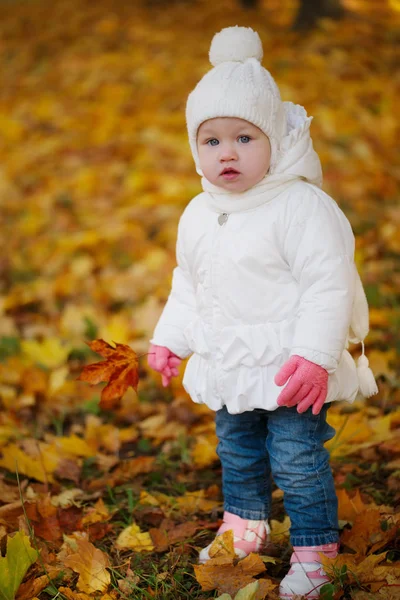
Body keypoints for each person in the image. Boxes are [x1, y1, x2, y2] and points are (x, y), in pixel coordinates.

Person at [147, 26, 378, 599]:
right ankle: (246, 526)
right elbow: (188, 282)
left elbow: (329, 284)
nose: (227, 153)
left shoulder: (300, 205)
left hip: (289, 366)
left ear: (274, 138)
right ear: (195, 147)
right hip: (231, 362)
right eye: (212, 140)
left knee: (297, 457)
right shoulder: (198, 212)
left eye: (245, 138)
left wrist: (315, 356)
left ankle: (317, 550)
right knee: (237, 448)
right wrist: (170, 338)